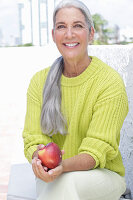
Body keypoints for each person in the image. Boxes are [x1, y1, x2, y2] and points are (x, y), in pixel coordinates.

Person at [22, 0, 129, 199]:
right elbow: (34, 138)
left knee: (64, 184)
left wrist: (62, 166)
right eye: (61, 27)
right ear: (53, 35)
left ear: (91, 33)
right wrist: (38, 159)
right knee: (58, 185)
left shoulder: (108, 82)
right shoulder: (39, 81)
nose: (69, 34)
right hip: (53, 174)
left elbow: (96, 151)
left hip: (103, 175)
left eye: (77, 26)